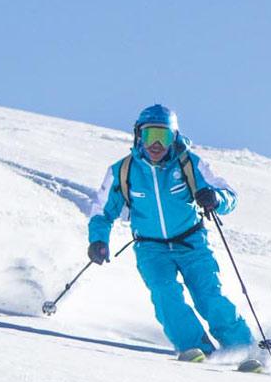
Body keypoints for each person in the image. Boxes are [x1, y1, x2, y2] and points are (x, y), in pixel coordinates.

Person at [85, 104, 255, 362]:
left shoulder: (189, 163)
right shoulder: (123, 171)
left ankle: (243, 350)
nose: (155, 143)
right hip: (151, 249)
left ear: (174, 137)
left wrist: (215, 198)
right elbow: (101, 211)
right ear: (138, 136)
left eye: (163, 136)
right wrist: (98, 240)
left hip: (191, 243)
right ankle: (197, 349)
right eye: (149, 135)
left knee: (209, 297)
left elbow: (230, 196)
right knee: (165, 294)